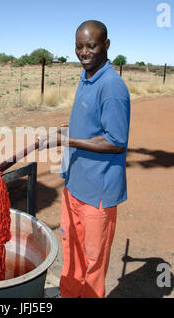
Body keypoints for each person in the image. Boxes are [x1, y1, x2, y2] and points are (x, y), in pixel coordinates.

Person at [40, 20, 130, 298]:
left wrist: (65, 140)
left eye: (91, 45)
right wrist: (67, 130)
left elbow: (115, 142)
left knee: (93, 261)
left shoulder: (112, 87)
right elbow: (92, 127)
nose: (83, 52)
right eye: (79, 46)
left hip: (97, 194)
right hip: (74, 185)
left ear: (106, 45)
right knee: (72, 250)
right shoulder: (86, 77)